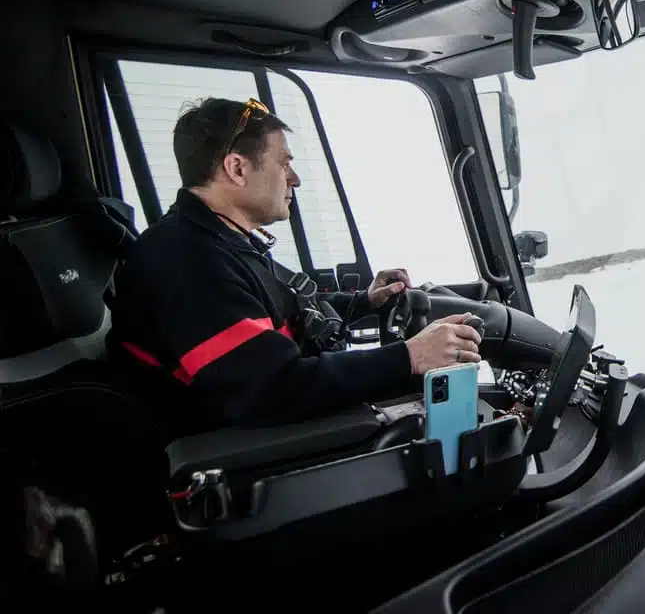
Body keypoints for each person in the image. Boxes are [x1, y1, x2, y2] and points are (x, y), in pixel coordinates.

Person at [107, 97, 482, 436]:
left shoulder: (218, 241)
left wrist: (364, 303)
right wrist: (410, 356)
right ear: (237, 168)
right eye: (284, 163)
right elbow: (271, 388)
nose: (295, 179)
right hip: (247, 453)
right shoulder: (187, 262)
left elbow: (281, 314)